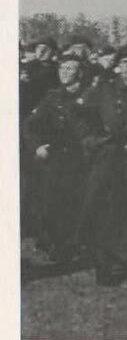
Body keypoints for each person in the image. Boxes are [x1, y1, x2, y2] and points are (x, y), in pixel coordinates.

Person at [75, 45, 127, 286]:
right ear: (118, 66)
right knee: (103, 207)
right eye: (124, 62)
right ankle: (103, 263)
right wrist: (90, 138)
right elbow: (78, 113)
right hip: (108, 155)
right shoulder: (104, 89)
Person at [23, 54, 87, 262]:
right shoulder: (52, 97)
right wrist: (37, 146)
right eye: (62, 68)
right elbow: (30, 125)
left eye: (70, 69)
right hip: (58, 158)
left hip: (85, 157)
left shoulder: (91, 95)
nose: (64, 73)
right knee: (55, 201)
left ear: (80, 73)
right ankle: (58, 244)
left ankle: (77, 244)